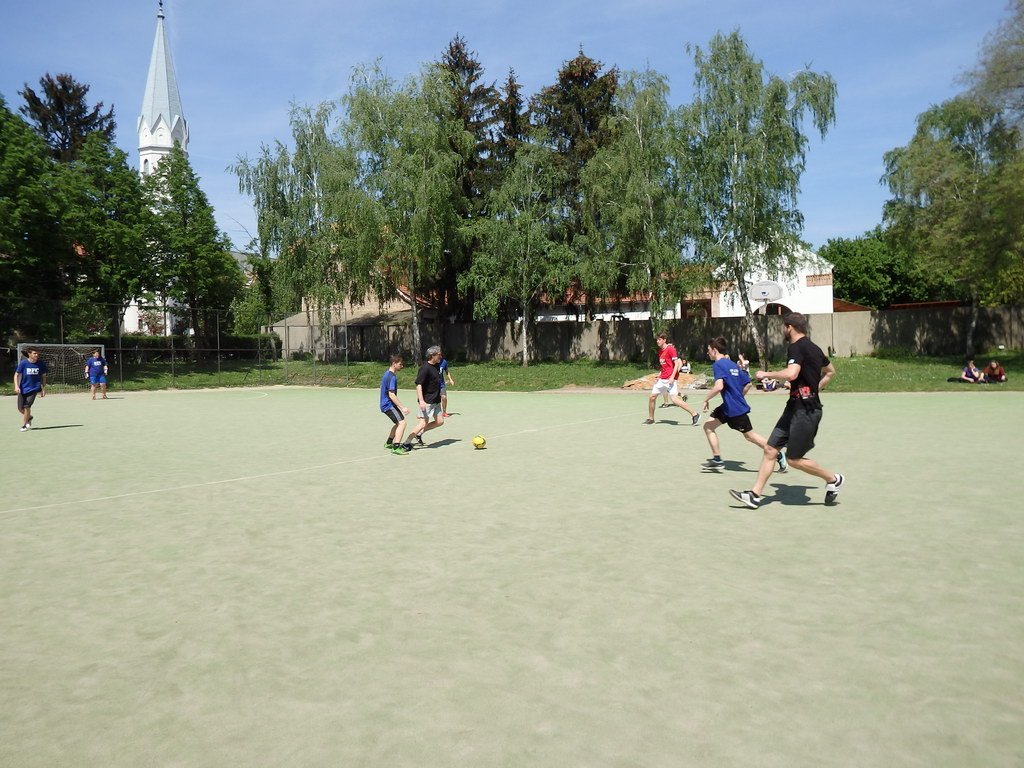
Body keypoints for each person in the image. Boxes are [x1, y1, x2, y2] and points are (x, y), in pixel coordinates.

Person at [729, 312, 844, 509]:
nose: (783, 330)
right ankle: (754, 495)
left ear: (789, 327)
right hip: (794, 407)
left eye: (784, 327)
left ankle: (834, 479)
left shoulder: (796, 347)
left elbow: (792, 373)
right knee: (770, 449)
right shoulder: (814, 348)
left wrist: (766, 373)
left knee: (793, 460)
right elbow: (830, 371)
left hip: (806, 412)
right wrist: (812, 389)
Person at [700, 337, 787, 474]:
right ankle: (717, 460)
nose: (707, 352)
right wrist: (738, 397)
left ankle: (777, 454)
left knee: (749, 436)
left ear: (715, 350)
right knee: (708, 426)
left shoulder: (718, 365)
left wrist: (706, 400)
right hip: (727, 407)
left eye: (709, 350)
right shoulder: (732, 364)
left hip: (735, 409)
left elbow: (718, 386)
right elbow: (748, 383)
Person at [645, 333, 700, 426]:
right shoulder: (660, 351)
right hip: (662, 379)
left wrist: (672, 377)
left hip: (670, 379)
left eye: (659, 339)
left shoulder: (671, 349)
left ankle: (695, 414)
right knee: (652, 397)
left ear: (664, 340)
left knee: (674, 400)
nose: (657, 341)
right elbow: (664, 366)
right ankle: (651, 419)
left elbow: (677, 364)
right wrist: (659, 375)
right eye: (657, 340)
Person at [406, 345, 446, 448]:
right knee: (422, 423)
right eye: (439, 354)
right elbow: (418, 385)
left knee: (440, 421)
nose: (441, 356)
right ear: (432, 355)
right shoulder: (425, 368)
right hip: (427, 401)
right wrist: (421, 401)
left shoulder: (437, 366)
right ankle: (407, 443)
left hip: (436, 400)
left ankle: (419, 433)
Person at [380, 354, 411, 454]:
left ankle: (389, 443)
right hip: (388, 405)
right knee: (402, 423)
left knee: (398, 423)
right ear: (394, 364)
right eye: (400, 364)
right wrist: (403, 407)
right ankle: (396, 447)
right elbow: (392, 395)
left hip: (386, 404)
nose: (402, 366)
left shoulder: (386, 374)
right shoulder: (392, 377)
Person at [14, 347, 48, 432]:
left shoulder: (40, 363)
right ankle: (29, 417)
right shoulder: (23, 363)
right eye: (34, 353)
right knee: (20, 408)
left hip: (34, 388)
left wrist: (43, 388)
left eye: (37, 353)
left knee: (27, 406)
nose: (37, 355)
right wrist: (16, 386)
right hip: (23, 388)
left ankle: (25, 425)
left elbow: (44, 376)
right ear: (29, 354)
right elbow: (16, 375)